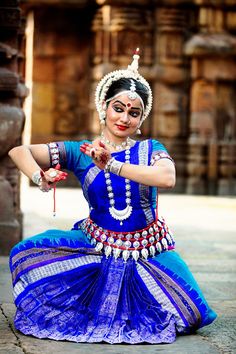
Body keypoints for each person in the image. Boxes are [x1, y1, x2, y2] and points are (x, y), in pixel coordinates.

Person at [8, 49, 216, 344]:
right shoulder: (80, 152)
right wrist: (39, 177)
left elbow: (167, 178)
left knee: (192, 313)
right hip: (97, 245)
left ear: (142, 119)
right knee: (25, 255)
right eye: (118, 108)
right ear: (104, 107)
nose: (124, 118)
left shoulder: (149, 149)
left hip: (148, 251)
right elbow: (19, 151)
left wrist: (113, 165)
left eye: (134, 113)